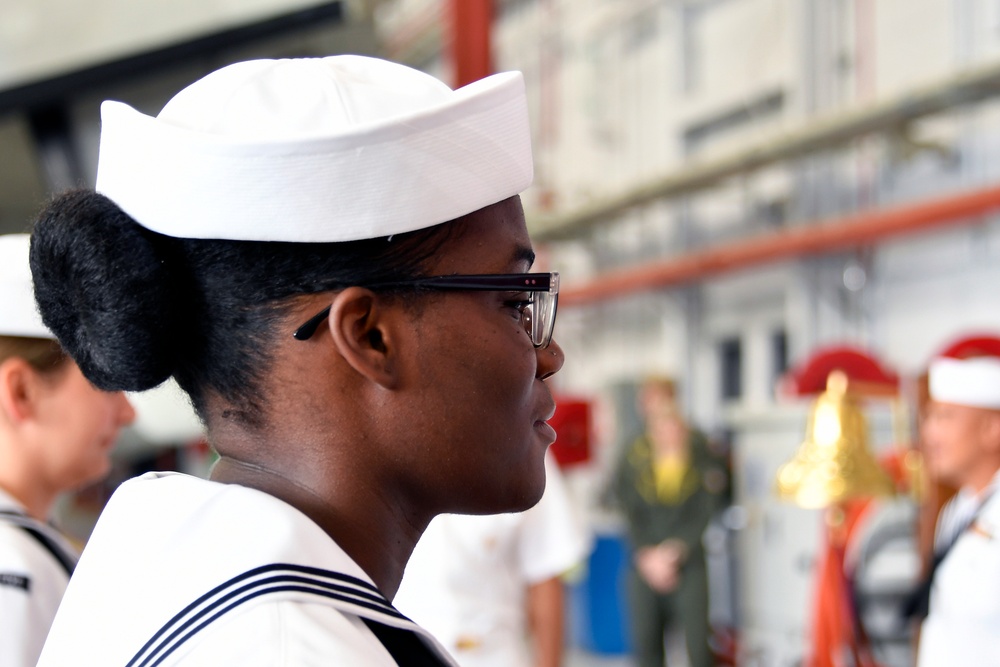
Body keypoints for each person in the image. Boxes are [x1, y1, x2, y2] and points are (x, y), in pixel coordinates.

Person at [30, 55, 564, 666]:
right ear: (370, 337)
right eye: (512, 300)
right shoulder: (289, 649)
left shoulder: (177, 585)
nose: (548, 352)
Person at [0, 233, 136, 667]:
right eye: (104, 383)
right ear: (21, 392)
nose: (128, 413)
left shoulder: (26, 547)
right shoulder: (11, 570)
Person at [394, 453, 591, 667]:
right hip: (398, 651)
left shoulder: (524, 442)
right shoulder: (388, 442)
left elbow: (545, 572)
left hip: (493, 654)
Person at [612, 376, 728, 667]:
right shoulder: (634, 454)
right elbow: (626, 507)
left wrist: (676, 550)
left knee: (698, 647)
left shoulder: (701, 451)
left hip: (688, 561)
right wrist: (648, 555)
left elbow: (709, 505)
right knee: (647, 645)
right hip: (645, 562)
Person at [911, 355, 1000, 667]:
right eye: (928, 418)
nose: (929, 434)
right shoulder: (958, 510)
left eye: (945, 417)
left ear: (992, 428)